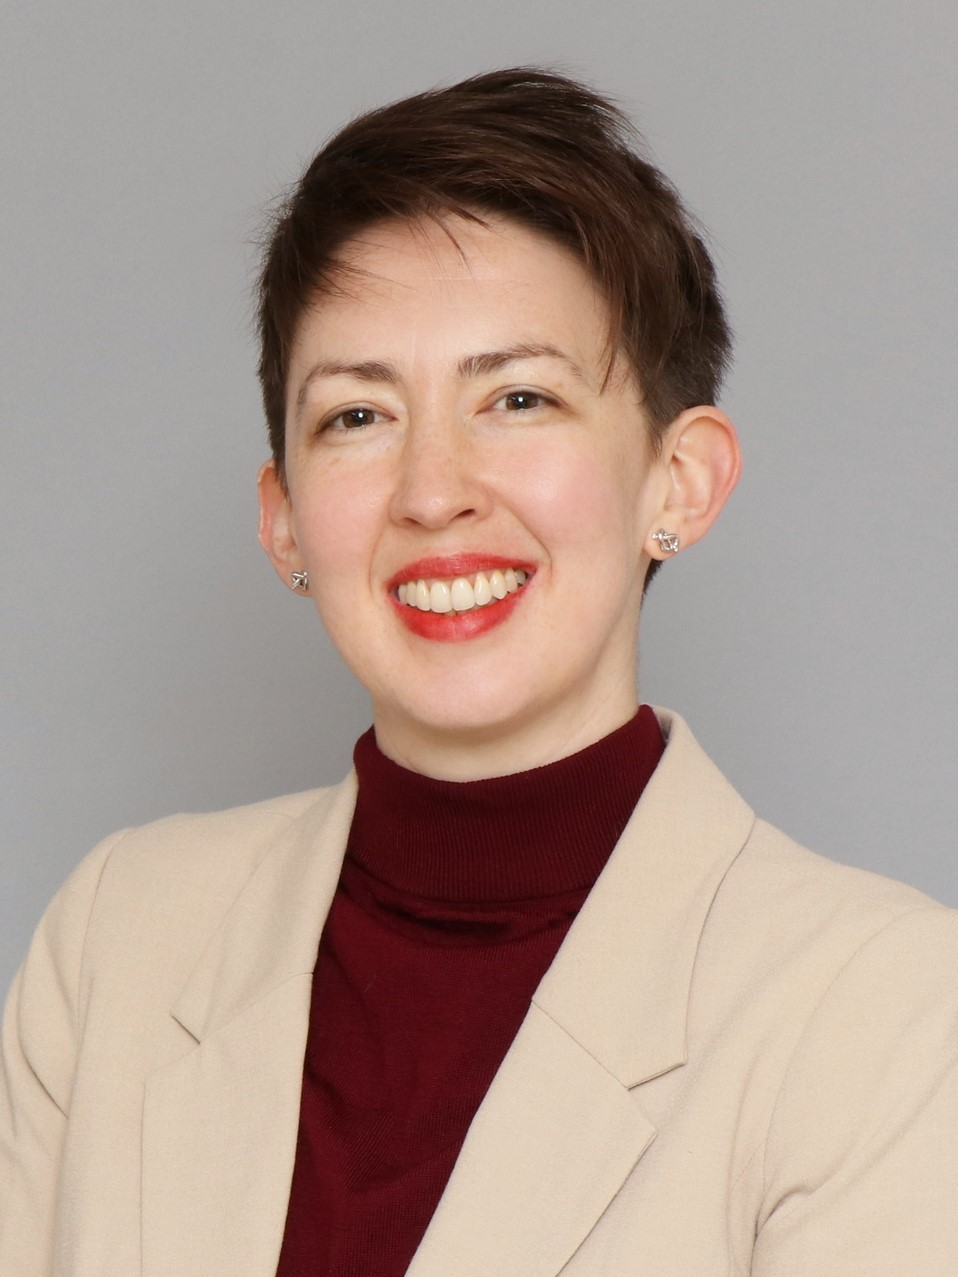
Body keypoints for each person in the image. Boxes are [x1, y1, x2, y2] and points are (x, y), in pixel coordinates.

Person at [2, 67, 957, 1277]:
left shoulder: (884, 1006)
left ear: (679, 482)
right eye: (357, 416)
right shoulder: (119, 936)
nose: (431, 491)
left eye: (517, 397)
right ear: (284, 517)